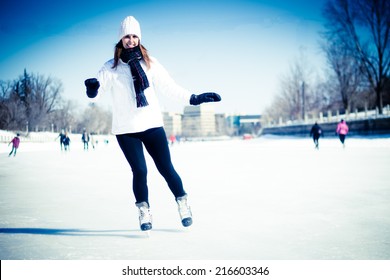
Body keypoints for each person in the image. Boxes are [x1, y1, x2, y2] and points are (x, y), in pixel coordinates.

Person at [84, 16, 221, 231]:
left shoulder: (150, 63)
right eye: (127, 36)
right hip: (126, 130)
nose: (131, 40)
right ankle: (144, 211)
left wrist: (194, 98)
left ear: (139, 38)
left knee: (166, 168)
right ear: (121, 39)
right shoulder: (111, 67)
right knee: (140, 171)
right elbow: (97, 92)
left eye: (134, 36)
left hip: (152, 125)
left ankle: (182, 203)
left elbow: (170, 87)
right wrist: (92, 89)